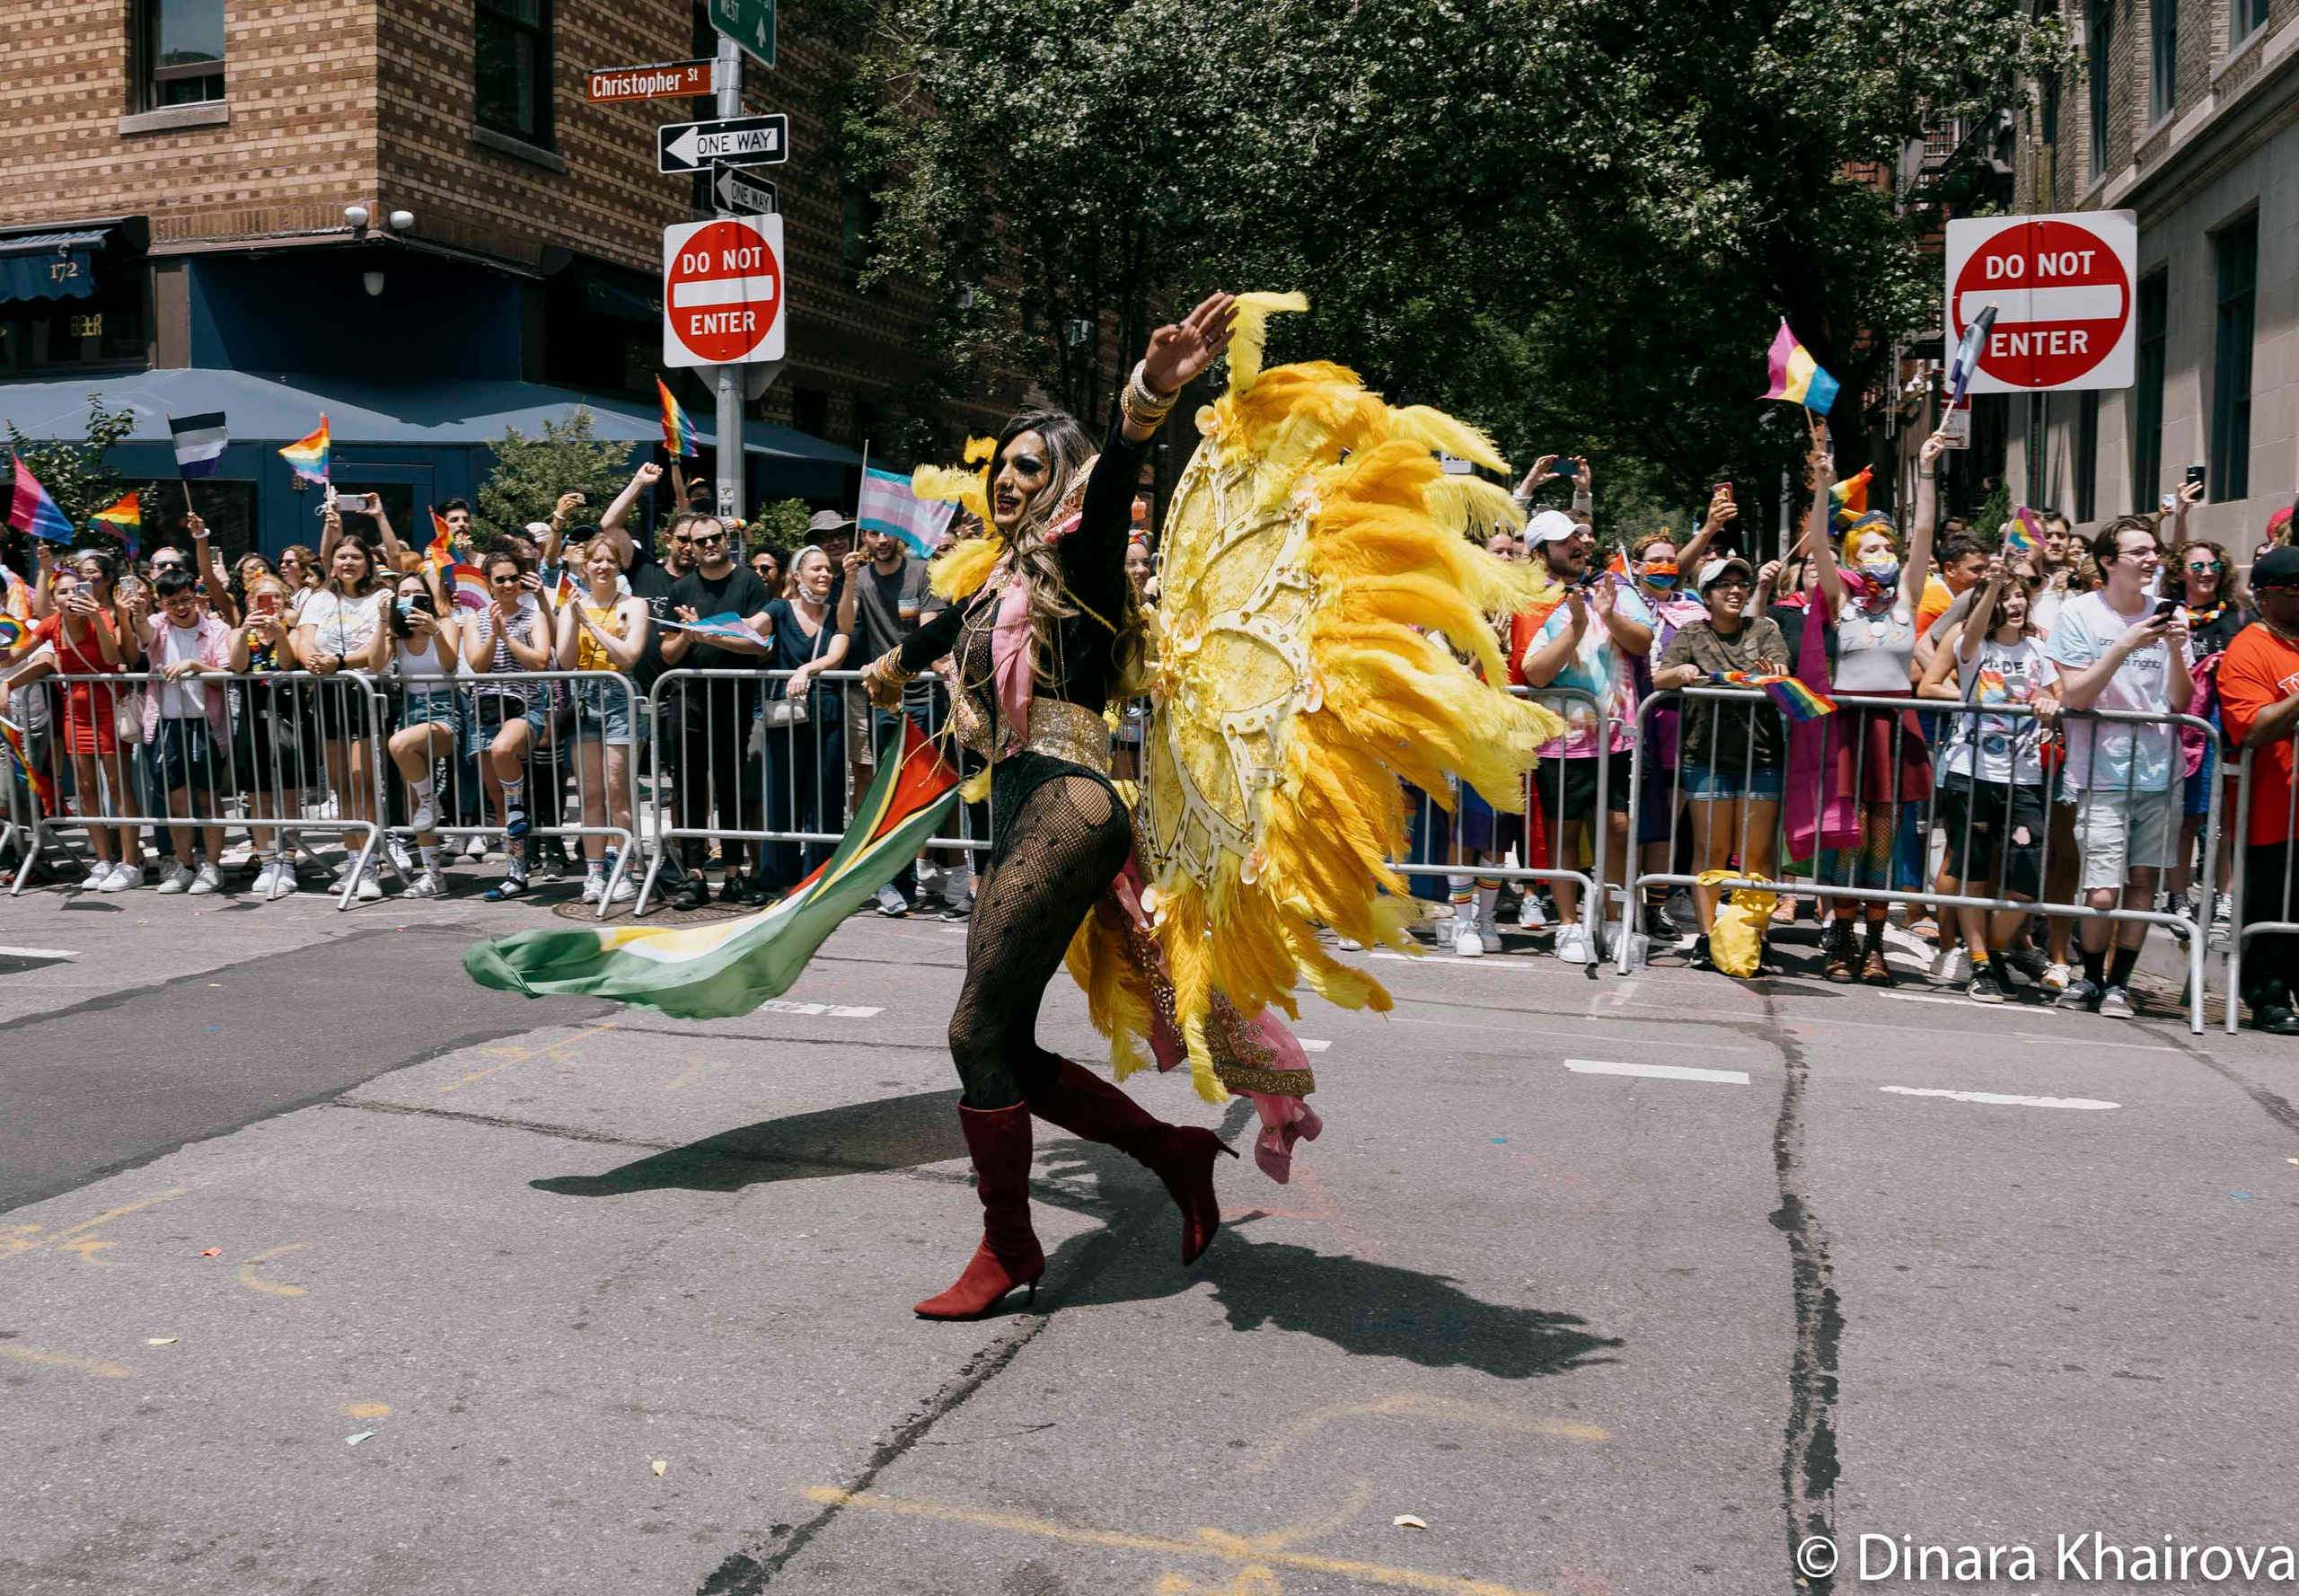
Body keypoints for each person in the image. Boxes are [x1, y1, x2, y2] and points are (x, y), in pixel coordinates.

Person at [853, 293, 1240, 1319]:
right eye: (1001, 464)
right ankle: (1174, 1152)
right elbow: (938, 637)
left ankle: (1009, 1245)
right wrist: (885, 668)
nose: (1009, 477)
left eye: (1031, 465)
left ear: (1059, 479)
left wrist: (1149, 394)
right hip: (1020, 804)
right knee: (1005, 1042)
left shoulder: (1079, 559)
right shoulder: (993, 584)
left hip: (1070, 797)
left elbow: (1115, 477)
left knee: (972, 1027)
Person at [1808, 427, 1944, 984]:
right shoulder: (1840, 598)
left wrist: (1929, 471)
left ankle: (1874, 945)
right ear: (1852, 558)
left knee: (1884, 840)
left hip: (1892, 727)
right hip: (1850, 728)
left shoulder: (1908, 598)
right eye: (1871, 547)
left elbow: (1926, 534)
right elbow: (1818, 540)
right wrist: (1821, 486)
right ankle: (1839, 940)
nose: (1883, 554)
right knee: (1851, 836)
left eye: (1887, 545)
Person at [2044, 516, 2194, 1016]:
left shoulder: (2172, 615)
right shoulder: (2079, 615)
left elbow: (2181, 700)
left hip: (2160, 770)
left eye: (2154, 551)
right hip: (2101, 773)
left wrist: (2174, 649)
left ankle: (2119, 986)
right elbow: (2079, 695)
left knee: (2142, 885)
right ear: (2108, 562)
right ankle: (2089, 979)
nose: (2152, 559)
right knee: (2103, 891)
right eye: (2138, 552)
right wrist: (2125, 645)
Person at [1918, 558, 2058, 1002]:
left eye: (2020, 595)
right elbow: (1969, 638)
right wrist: (1992, 585)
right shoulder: (1974, 645)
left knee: (2025, 871)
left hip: (2026, 777)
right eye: (2005, 596)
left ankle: (1994, 950)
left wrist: (2049, 705)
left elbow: (2057, 697)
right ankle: (1979, 962)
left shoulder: (2038, 650)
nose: (2014, 603)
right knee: (1971, 870)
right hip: (1972, 773)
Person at [1516, 509, 1653, 961]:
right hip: (1562, 739)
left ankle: (1614, 921)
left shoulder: (1613, 588)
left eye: (1580, 537)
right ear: (1541, 553)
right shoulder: (1534, 602)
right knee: (1563, 833)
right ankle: (1570, 926)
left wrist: (1608, 616)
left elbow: (1642, 642)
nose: (1578, 545)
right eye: (1564, 541)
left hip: (1617, 735)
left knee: (1618, 828)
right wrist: (1576, 627)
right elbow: (1534, 673)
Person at [1650, 555, 1790, 969]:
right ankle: (1707, 937)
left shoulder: (1765, 628)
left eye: (1741, 583)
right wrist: (1679, 674)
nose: (1735, 590)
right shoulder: (1691, 633)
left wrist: (1776, 673)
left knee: (1757, 856)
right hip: (1704, 755)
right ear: (1706, 595)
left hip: (1760, 756)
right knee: (1711, 851)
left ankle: (1754, 936)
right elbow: (1658, 678)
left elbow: (1783, 670)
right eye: (1723, 584)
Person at [659, 513, 775, 908]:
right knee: (689, 786)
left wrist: (709, 632)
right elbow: (667, 653)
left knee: (730, 786)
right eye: (700, 540)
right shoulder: (681, 589)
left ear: (727, 540)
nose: (709, 544)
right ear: (688, 547)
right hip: (687, 697)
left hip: (733, 697)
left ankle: (732, 874)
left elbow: (760, 645)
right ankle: (693, 875)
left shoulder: (749, 582)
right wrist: (688, 636)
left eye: (715, 537)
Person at [837, 517, 942, 916]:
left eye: (887, 533)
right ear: (863, 537)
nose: (880, 541)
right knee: (888, 791)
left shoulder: (922, 572)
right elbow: (845, 627)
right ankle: (892, 884)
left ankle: (933, 878)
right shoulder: (860, 578)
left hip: (926, 695)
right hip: (884, 698)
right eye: (872, 533)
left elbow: (930, 633)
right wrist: (847, 582)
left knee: (925, 789)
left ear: (900, 535)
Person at [2215, 546, 2299, 1031]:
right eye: (2296, 588)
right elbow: (2252, 726)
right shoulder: (2250, 648)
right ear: (2268, 597)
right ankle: (2268, 997)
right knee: (2272, 906)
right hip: (2273, 809)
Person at [294, 535, 392, 901]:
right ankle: (353, 859)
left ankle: (371, 864)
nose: (348, 562)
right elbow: (305, 641)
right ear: (331, 562)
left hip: (363, 692)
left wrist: (338, 663)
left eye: (355, 556)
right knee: (341, 785)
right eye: (341, 556)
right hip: (326, 694)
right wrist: (312, 662)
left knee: (362, 781)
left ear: (368, 562)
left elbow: (379, 651)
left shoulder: (379, 597)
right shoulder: (319, 599)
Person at [554, 534, 648, 904]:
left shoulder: (634, 605)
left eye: (610, 560)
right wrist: (572, 618)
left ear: (619, 565)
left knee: (617, 791)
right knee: (590, 793)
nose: (603, 567)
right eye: (596, 561)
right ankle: (594, 872)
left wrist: (591, 627)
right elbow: (564, 661)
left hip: (620, 695)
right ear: (585, 565)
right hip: (584, 698)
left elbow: (629, 656)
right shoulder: (571, 607)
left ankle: (623, 869)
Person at [30, 567, 137, 889]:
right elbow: (15, 654)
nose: (70, 596)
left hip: (106, 710)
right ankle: (102, 861)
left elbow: (110, 657)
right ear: (54, 600)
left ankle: (130, 863)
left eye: (76, 589)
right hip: (74, 716)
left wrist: (96, 620)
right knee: (86, 789)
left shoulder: (100, 615)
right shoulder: (52, 624)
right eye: (62, 592)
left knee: (118, 787)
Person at [462, 548, 557, 901]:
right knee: (497, 799)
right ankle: (516, 873)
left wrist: (508, 638)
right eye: (499, 579)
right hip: (483, 710)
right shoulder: (474, 618)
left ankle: (520, 806)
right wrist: (492, 635)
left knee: (504, 750)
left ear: (521, 579)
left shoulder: (534, 614)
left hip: (524, 707)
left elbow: (541, 660)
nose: (506, 585)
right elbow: (477, 665)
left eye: (512, 578)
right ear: (488, 583)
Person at [758, 545, 850, 894]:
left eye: (828, 569)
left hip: (827, 711)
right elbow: (751, 629)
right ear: (797, 576)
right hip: (787, 714)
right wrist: (707, 629)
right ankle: (778, 873)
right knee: (781, 789)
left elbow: (837, 654)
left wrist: (807, 669)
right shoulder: (779, 609)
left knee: (824, 793)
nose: (825, 574)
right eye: (816, 569)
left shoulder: (836, 613)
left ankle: (818, 874)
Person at [2169, 538, 2249, 938]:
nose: (2205, 572)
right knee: (2185, 821)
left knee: (2223, 822)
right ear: (2181, 572)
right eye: (2196, 565)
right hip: (2180, 730)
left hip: (2223, 727)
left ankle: (2223, 898)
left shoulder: (2238, 616)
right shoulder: (2169, 616)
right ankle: (2178, 899)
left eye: (2213, 565)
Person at [141, 568, 233, 894]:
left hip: (203, 723)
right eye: (171, 602)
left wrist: (194, 666)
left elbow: (226, 672)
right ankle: (185, 866)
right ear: (161, 603)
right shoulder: (156, 625)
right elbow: (141, 635)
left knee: (208, 797)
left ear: (195, 597)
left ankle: (213, 866)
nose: (180, 608)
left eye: (185, 600)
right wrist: (136, 612)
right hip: (165, 723)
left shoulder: (216, 628)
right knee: (175, 800)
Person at [226, 575, 313, 898]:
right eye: (264, 597)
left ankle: (288, 861)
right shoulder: (239, 632)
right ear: (251, 601)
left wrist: (280, 636)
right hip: (253, 719)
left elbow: (290, 664)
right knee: (258, 795)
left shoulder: (292, 632)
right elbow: (237, 667)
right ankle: (265, 861)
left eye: (277, 597)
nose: (271, 603)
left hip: (287, 718)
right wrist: (247, 632)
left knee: (289, 795)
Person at [382, 564, 463, 899]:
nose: (409, 601)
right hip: (412, 712)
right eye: (403, 595)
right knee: (419, 804)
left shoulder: (444, 624)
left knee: (400, 745)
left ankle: (432, 801)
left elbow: (449, 664)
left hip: (447, 711)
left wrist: (434, 631)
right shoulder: (395, 635)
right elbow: (375, 665)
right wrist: (383, 622)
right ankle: (433, 874)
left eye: (417, 595)